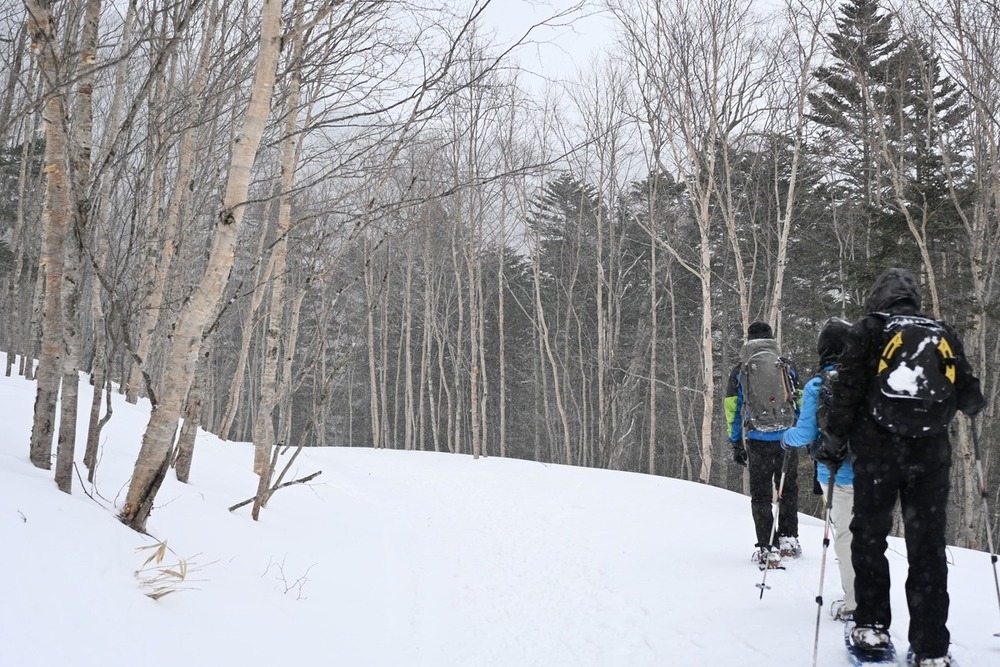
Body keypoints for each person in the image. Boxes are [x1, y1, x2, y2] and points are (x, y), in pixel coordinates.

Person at [815, 268, 986, 667]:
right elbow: (971, 396)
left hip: (877, 454)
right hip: (930, 456)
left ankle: (871, 626)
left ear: (878, 298)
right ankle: (930, 647)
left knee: (869, 537)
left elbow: (848, 392)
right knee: (927, 547)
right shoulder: (941, 331)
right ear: (913, 297)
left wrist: (833, 442)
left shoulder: (868, 330)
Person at [780, 317, 856, 620]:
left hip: (835, 475)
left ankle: (856, 603)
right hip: (874, 473)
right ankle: (868, 598)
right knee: (869, 538)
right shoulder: (868, 380)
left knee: (846, 537)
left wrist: (786, 438)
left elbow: (806, 434)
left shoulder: (816, 385)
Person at [726, 320, 802, 569]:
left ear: (748, 340)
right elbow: (799, 401)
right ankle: (789, 540)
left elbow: (733, 410)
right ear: (771, 339)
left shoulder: (741, 369)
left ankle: (767, 549)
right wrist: (798, 431)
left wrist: (736, 442)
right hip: (786, 438)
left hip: (757, 439)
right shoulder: (786, 365)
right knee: (787, 489)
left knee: (760, 495)